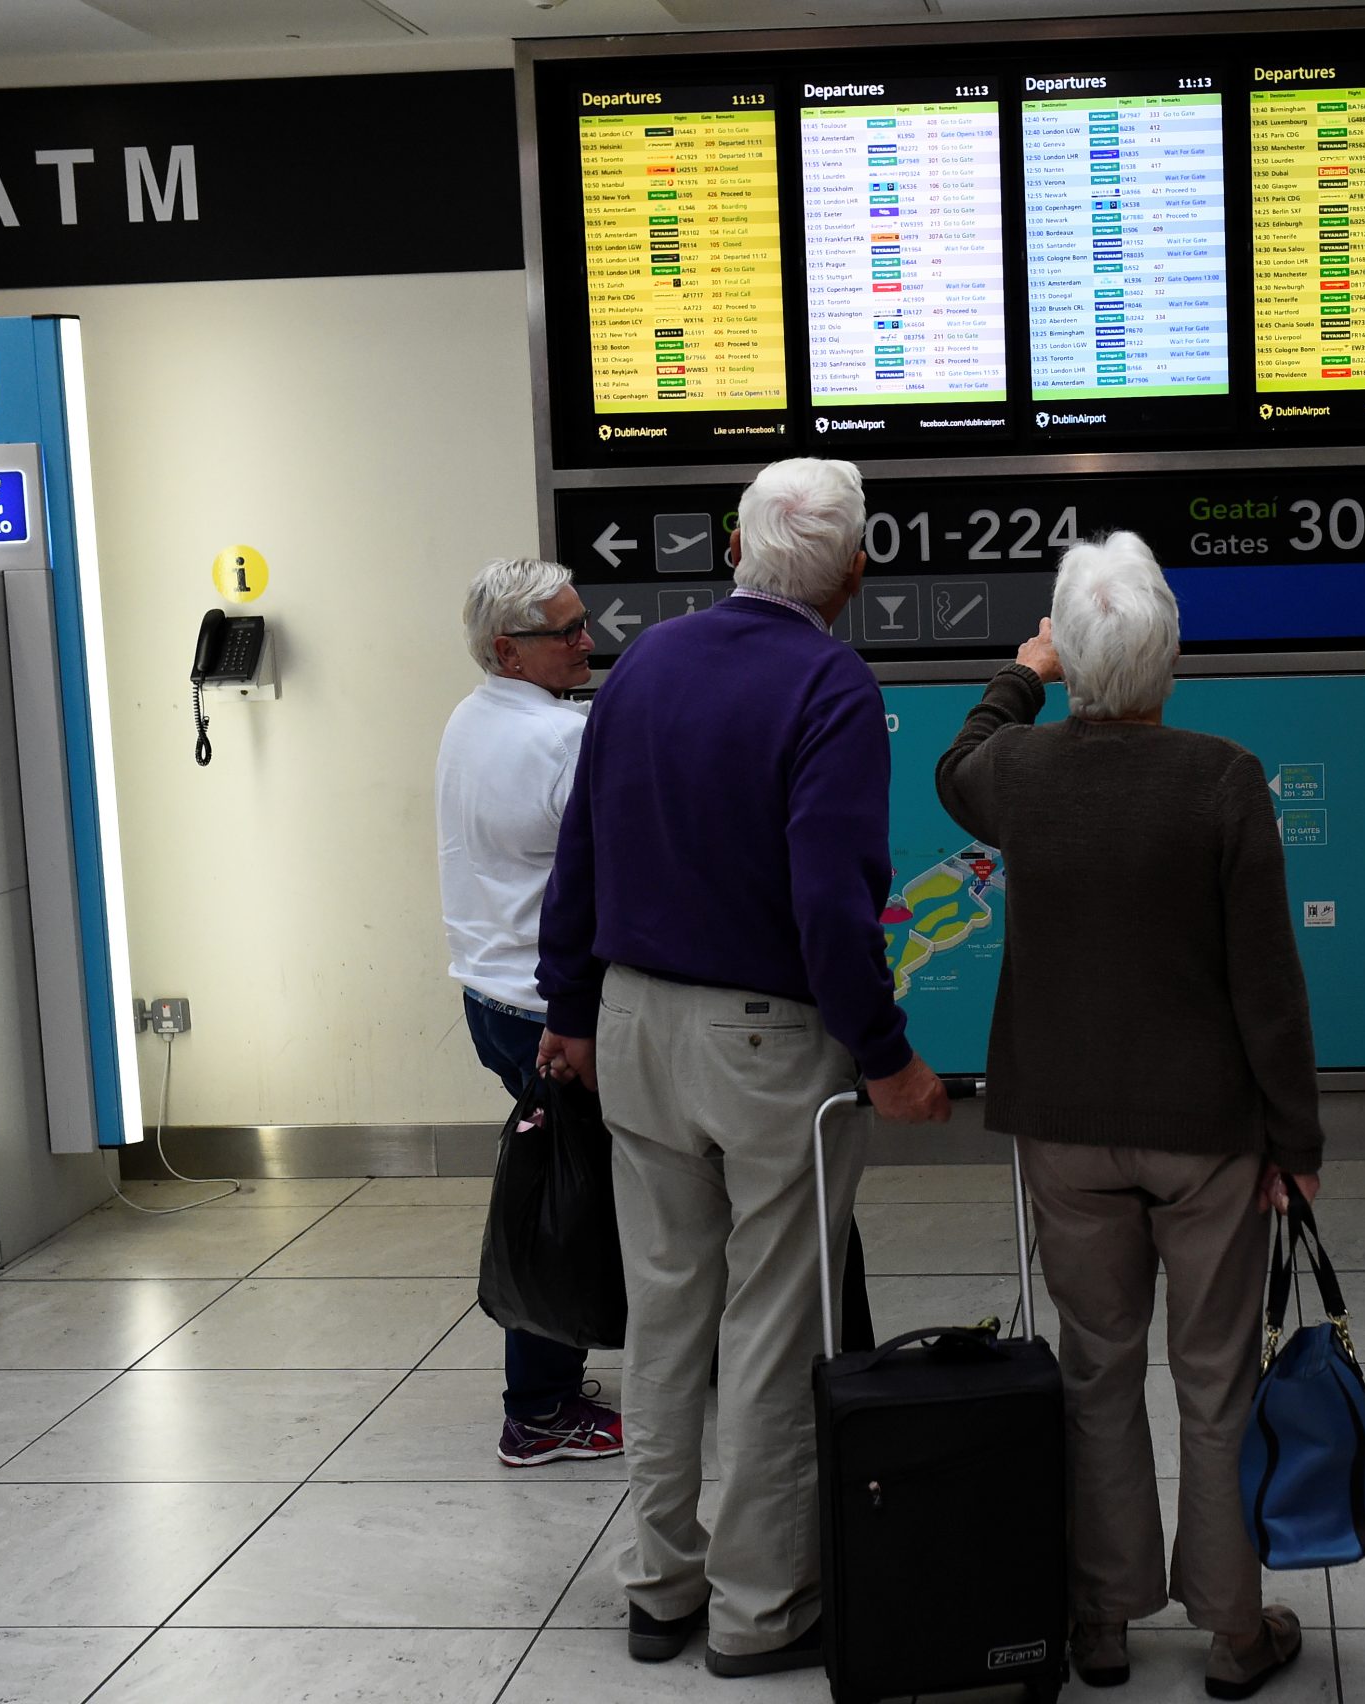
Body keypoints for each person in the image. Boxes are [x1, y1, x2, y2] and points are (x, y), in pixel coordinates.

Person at [537, 456, 952, 1676]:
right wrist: (885, 1057)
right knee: (772, 1328)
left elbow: (582, 850)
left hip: (631, 1024)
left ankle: (658, 1588)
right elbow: (830, 897)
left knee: (664, 1320)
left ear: (733, 545)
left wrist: (569, 1007)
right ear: (856, 572)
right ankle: (761, 1610)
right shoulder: (830, 683)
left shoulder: (646, 661)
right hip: (769, 1045)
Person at [936, 533, 1323, 1701]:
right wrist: (1294, 1144)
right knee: (1214, 1378)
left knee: (1094, 1367)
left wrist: (1025, 670)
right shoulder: (1221, 776)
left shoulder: (1022, 774)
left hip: (1061, 1122)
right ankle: (1231, 1631)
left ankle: (1101, 1623)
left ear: (1078, 659)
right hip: (1205, 1131)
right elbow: (1266, 979)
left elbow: (958, 759)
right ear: (1168, 660)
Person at [434, 557, 625, 1470]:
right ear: (509, 650)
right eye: (566, 632)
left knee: (566, 1184)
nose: (588, 641)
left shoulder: (472, 718)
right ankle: (540, 1412)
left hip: (488, 996)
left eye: (583, 622)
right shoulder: (559, 742)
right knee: (570, 1207)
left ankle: (556, 1377)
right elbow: (614, 877)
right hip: (554, 1013)